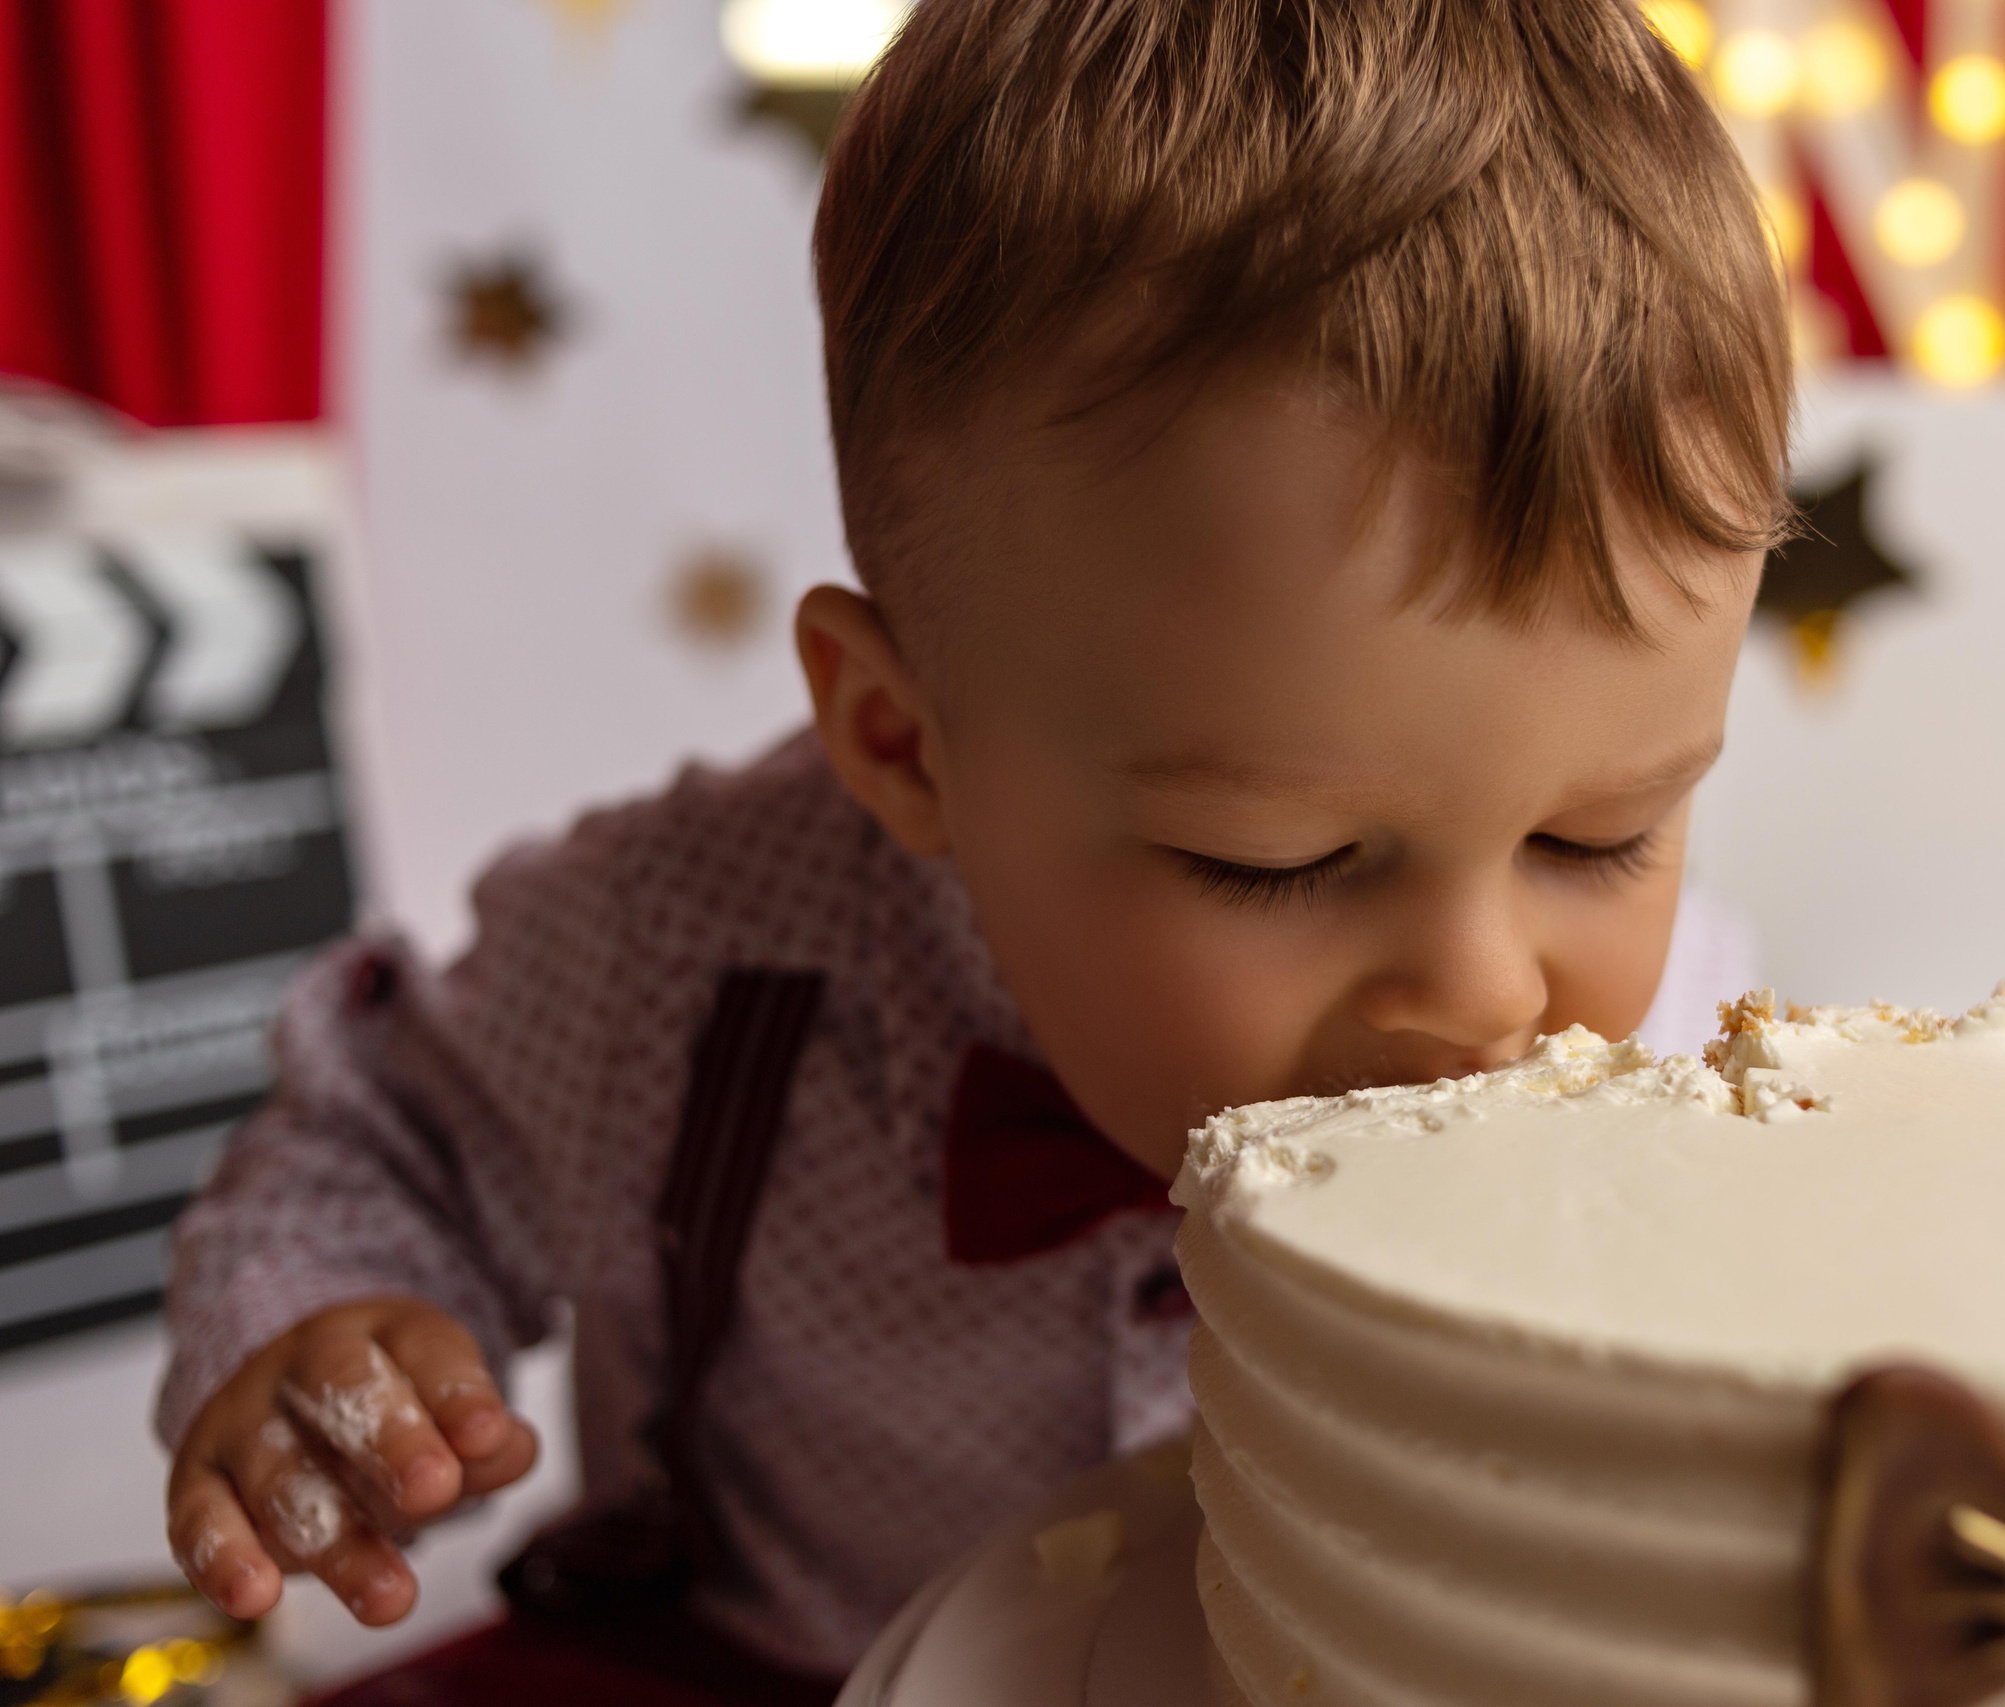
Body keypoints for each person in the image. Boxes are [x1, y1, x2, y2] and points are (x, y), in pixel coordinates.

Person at [154, 0, 1792, 1699]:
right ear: (898, 737)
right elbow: (381, 1149)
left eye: (1603, 835)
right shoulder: (675, 955)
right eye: (1277, 858)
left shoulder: (1693, 1067)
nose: (1482, 990)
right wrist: (317, 1328)